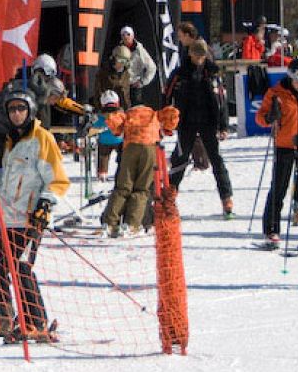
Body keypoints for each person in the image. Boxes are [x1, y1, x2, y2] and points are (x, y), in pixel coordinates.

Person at [0, 87, 70, 342]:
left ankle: (35, 321)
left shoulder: (42, 139)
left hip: (30, 219)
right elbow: (9, 180)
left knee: (22, 269)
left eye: (21, 109)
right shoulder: (11, 141)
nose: (16, 114)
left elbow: (57, 180)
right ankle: (2, 317)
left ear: (30, 110)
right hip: (7, 218)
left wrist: (45, 205)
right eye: (12, 109)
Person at [255, 57, 298, 249]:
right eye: (297, 79)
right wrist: (270, 117)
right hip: (284, 144)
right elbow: (260, 117)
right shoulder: (276, 92)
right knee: (279, 188)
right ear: (290, 77)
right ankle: (271, 230)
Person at [167, 40, 234, 218]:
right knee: (179, 160)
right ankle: (169, 198)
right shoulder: (180, 74)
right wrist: (166, 120)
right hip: (186, 122)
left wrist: (223, 125)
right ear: (190, 54)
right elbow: (166, 96)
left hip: (208, 122)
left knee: (216, 160)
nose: (199, 58)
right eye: (196, 55)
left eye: (202, 55)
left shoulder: (213, 73)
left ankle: (226, 198)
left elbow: (221, 101)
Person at [100, 96, 180, 239]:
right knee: (142, 189)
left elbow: (115, 126)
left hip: (130, 148)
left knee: (123, 187)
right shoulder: (154, 114)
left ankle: (109, 222)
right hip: (150, 148)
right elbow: (171, 118)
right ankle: (132, 224)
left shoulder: (128, 114)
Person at [120, 26, 160, 108]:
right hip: (122, 86)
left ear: (132, 36)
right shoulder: (119, 49)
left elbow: (152, 67)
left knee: (135, 110)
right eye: (123, 35)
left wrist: (143, 81)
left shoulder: (139, 50)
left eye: (128, 34)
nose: (126, 37)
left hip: (134, 86)